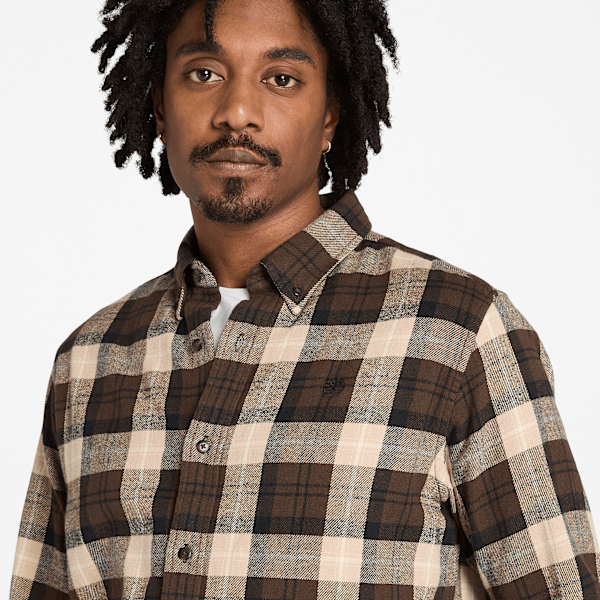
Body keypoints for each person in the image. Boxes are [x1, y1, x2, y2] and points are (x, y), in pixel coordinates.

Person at [10, 0, 599, 598]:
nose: (237, 112)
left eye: (281, 79)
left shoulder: (459, 332)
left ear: (329, 116)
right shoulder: (89, 361)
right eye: (204, 73)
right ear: (161, 106)